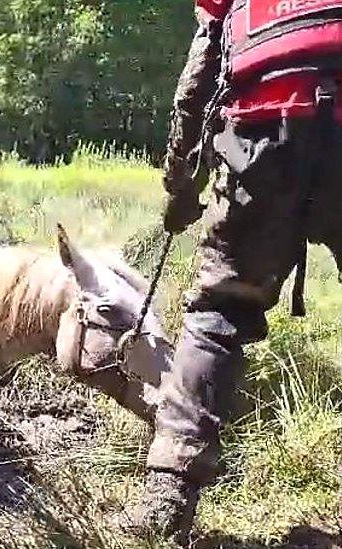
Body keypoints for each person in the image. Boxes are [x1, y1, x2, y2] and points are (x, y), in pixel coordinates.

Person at [128, 0, 342, 540]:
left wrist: (181, 187)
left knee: (219, 308)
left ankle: (168, 494)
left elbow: (197, 83)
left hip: (263, 135)